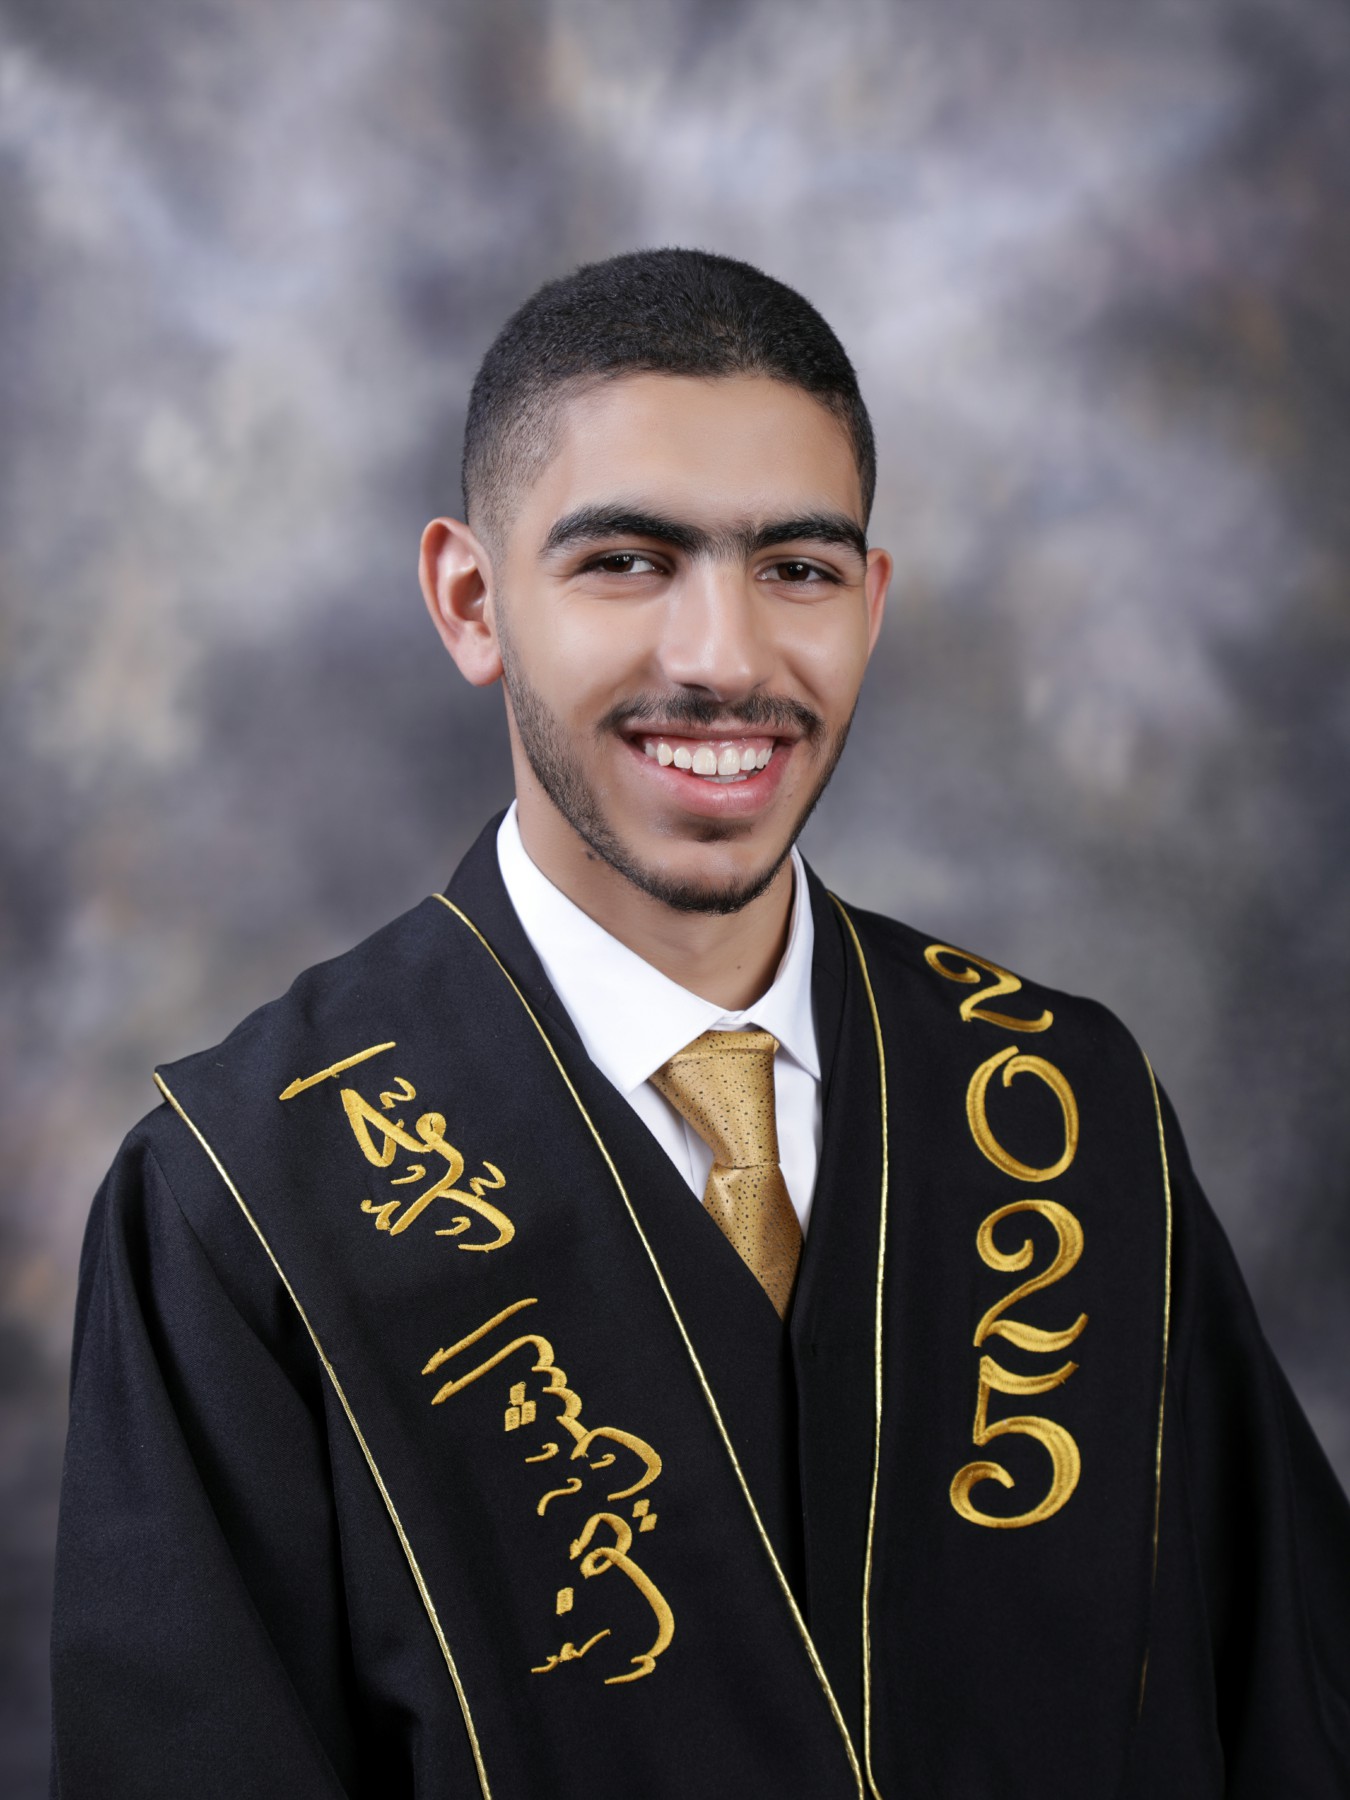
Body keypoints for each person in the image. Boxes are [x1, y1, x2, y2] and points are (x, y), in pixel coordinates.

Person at [50, 249, 1350, 1800]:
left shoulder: (1066, 1114)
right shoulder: (244, 1204)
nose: (725, 660)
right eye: (626, 562)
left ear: (869, 605)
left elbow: (1294, 1718)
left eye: (796, 568)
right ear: (472, 602)